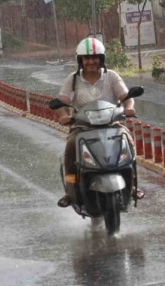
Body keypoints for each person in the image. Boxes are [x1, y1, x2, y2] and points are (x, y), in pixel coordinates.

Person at [55, 37, 136, 208]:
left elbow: (126, 98)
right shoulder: (73, 79)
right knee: (70, 146)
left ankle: (134, 184)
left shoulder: (111, 76)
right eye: (86, 58)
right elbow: (61, 101)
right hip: (82, 128)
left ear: (101, 58)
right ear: (80, 60)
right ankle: (69, 191)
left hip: (112, 125)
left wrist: (128, 108)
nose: (91, 61)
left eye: (95, 57)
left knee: (128, 139)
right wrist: (64, 115)